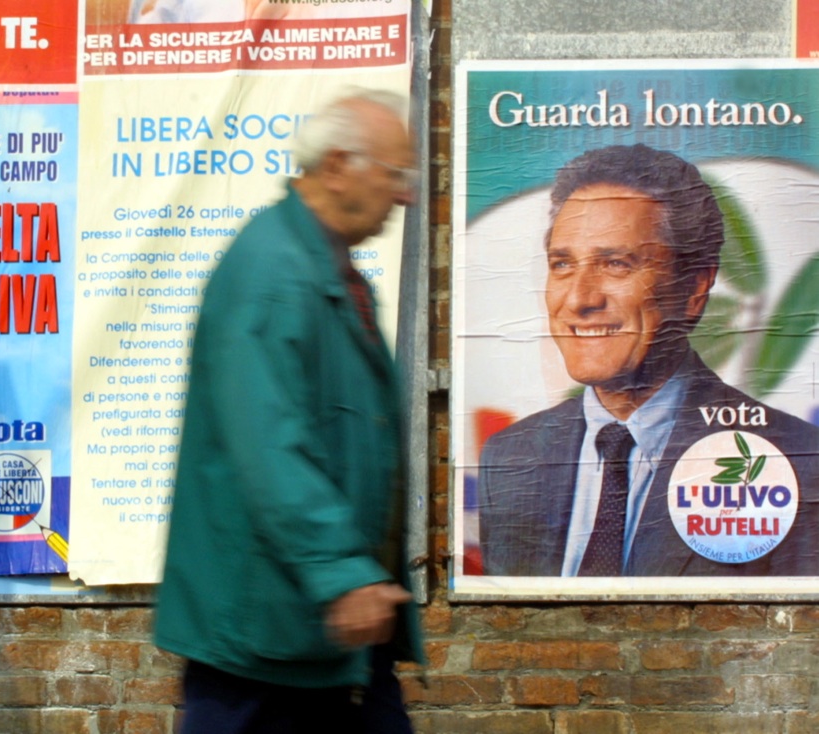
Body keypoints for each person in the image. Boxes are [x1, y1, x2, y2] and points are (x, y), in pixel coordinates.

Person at [153, 89, 423, 733]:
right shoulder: (273, 272)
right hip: (269, 633)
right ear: (338, 166)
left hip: (329, 625)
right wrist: (341, 572)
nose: (406, 196)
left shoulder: (326, 270)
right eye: (395, 175)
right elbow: (268, 443)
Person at [478, 144, 819, 577]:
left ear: (695, 288)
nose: (579, 299)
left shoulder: (797, 461)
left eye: (616, 264)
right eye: (562, 264)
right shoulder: (508, 458)